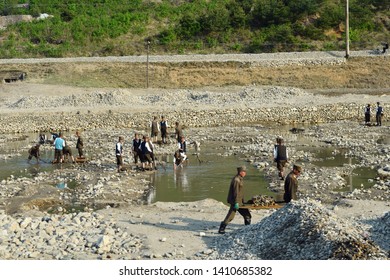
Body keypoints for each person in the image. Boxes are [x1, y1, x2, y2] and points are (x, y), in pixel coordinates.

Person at [218, 166, 251, 234]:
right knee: (230, 216)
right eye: (244, 172)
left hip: (240, 202)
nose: (245, 173)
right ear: (240, 172)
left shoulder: (240, 178)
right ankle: (221, 229)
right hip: (235, 201)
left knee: (247, 215)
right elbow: (235, 192)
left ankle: (247, 228)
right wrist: (236, 203)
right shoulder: (236, 180)